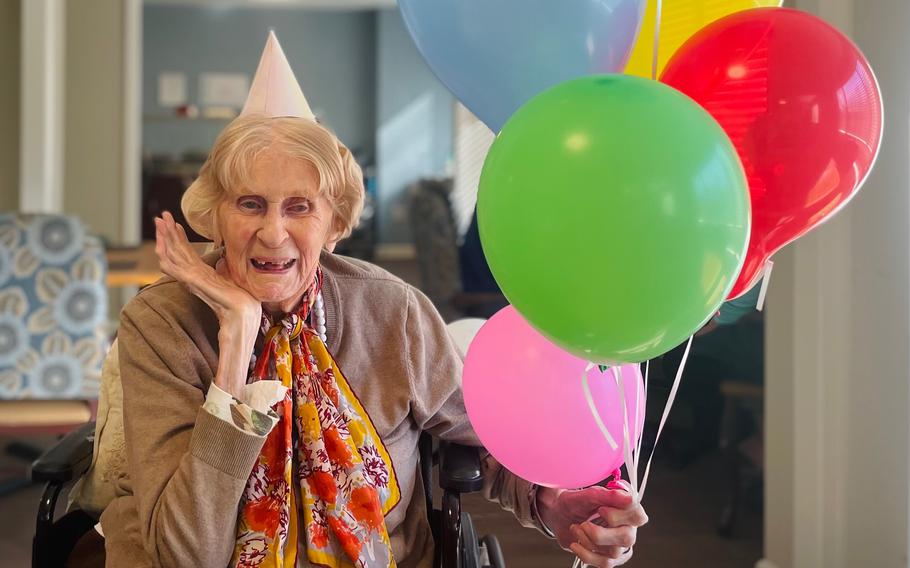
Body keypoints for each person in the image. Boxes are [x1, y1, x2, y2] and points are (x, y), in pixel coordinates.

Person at [92, 33, 647, 568]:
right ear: (215, 217)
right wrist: (236, 342)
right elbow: (187, 556)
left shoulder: (392, 312)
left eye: (300, 208)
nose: (273, 233)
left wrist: (551, 502)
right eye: (250, 203)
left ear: (335, 224)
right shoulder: (160, 324)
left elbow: (481, 441)